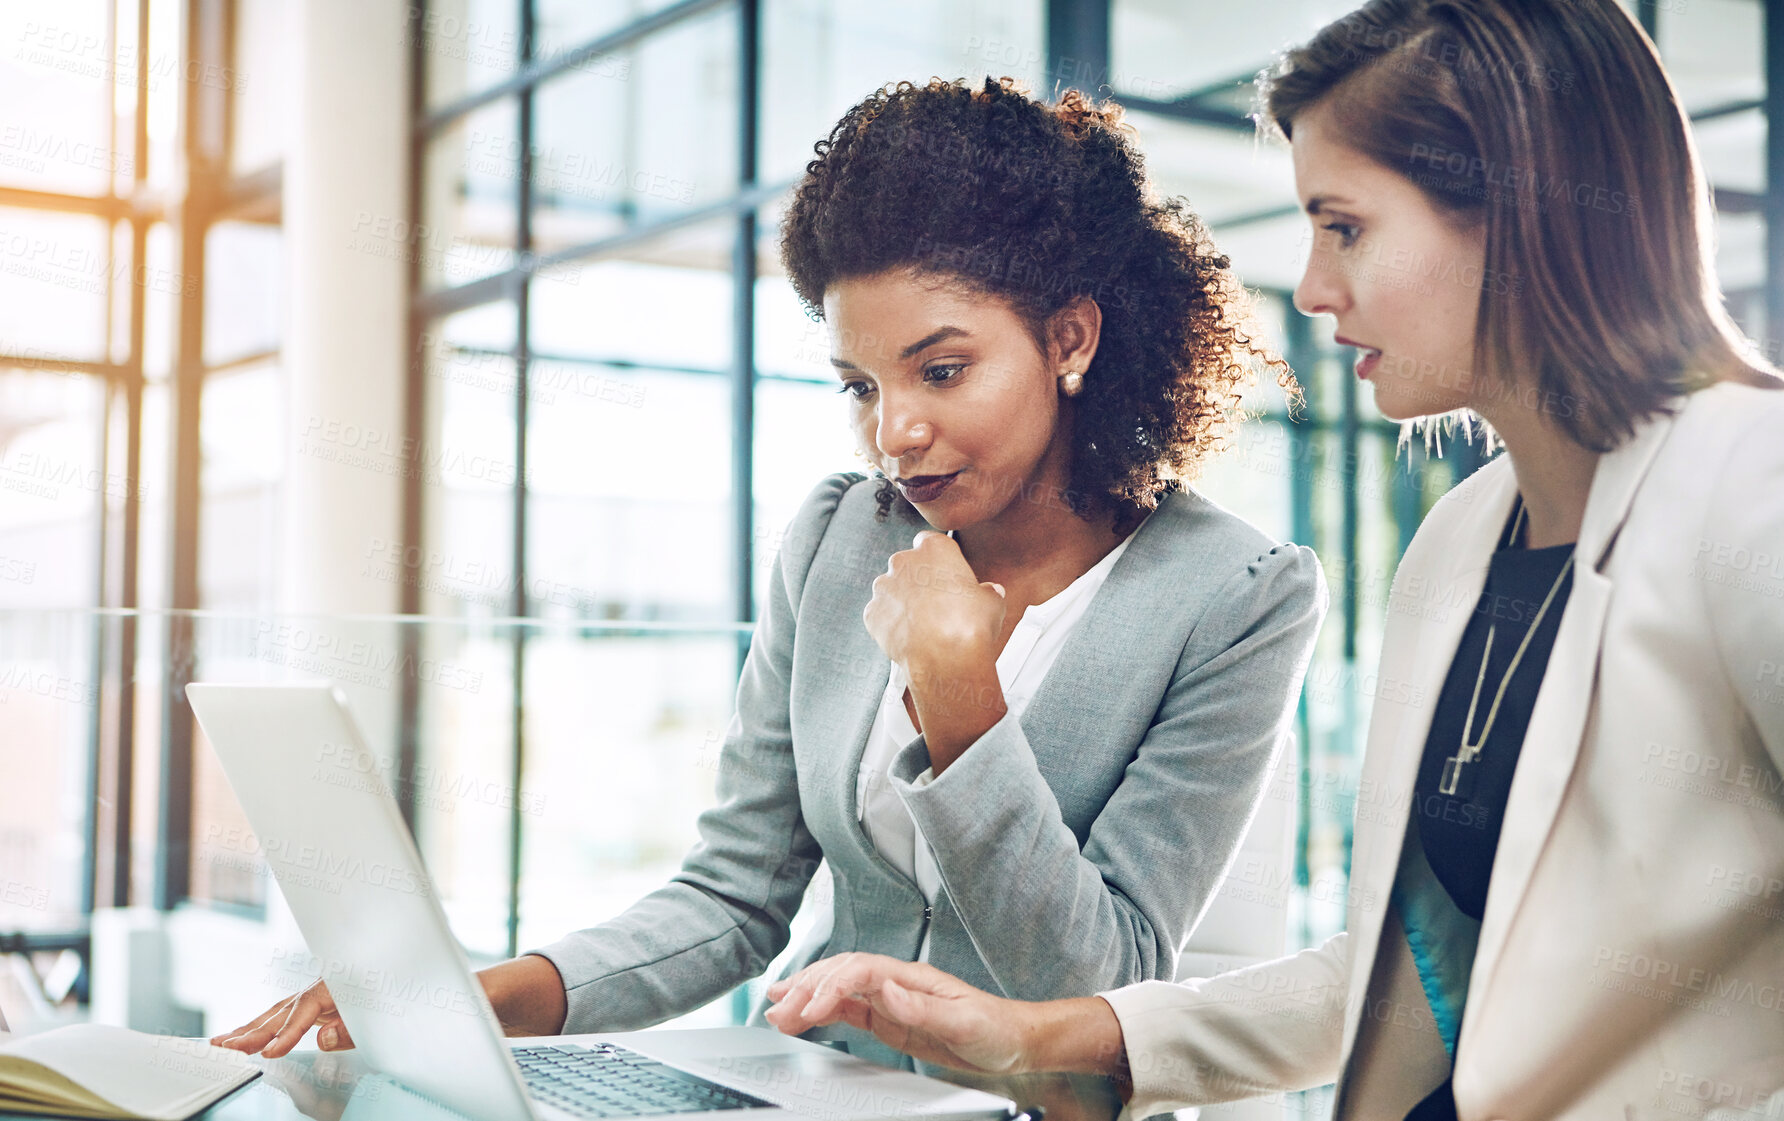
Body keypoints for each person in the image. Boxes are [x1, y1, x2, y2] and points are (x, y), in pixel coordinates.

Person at [762, 2, 1784, 1116]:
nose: (1309, 288)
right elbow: (1400, 978)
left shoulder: (1755, 488)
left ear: (1522, 213)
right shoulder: (1455, 544)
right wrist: (1024, 1035)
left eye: (1342, 227)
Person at [210, 77, 1327, 1072]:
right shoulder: (842, 538)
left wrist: (959, 698)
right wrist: (490, 991)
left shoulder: (1237, 593)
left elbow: (1099, 978)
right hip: (806, 1082)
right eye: (859, 384)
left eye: (941, 369)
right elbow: (734, 895)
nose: (894, 432)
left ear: (1070, 337)